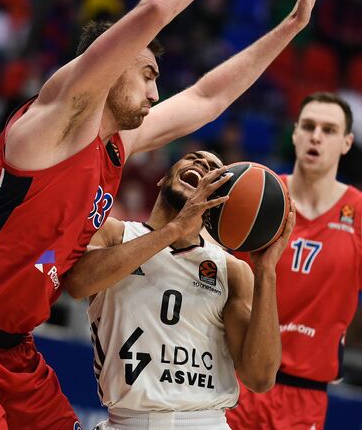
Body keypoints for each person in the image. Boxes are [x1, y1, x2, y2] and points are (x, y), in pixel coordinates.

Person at [0, 0, 322, 426]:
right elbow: (156, 8)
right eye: (148, 75)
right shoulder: (53, 119)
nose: (154, 94)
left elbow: (206, 99)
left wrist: (289, 29)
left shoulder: (114, 144)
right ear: (110, 63)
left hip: (16, 350)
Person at [63, 150, 295, 430]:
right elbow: (76, 284)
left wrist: (266, 272)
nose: (201, 164)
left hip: (205, 421)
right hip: (128, 421)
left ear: (218, 202)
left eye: (213, 169)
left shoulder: (230, 271)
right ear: (162, 179)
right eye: (192, 158)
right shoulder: (114, 234)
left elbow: (260, 379)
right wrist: (173, 230)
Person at [226, 92, 362, 430]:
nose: (316, 135)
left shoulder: (359, 214)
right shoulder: (259, 196)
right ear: (295, 134)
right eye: (309, 126)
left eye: (329, 130)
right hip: (235, 382)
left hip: (305, 397)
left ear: (346, 143)